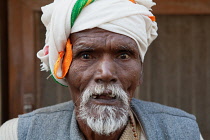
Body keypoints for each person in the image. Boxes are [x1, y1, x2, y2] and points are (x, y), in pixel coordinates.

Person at [0, 0, 203, 139]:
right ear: (64, 68)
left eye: (123, 55)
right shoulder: (19, 134)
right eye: (86, 55)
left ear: (140, 71)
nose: (106, 73)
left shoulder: (183, 132)